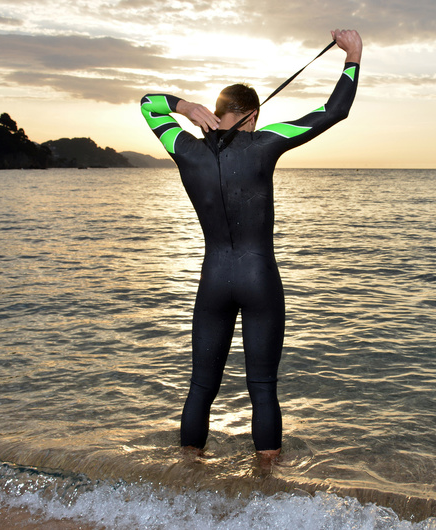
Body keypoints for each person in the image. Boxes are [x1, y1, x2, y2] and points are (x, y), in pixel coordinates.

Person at [140, 29, 361, 468]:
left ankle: (185, 476)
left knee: (201, 386)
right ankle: (268, 483)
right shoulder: (265, 142)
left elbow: (148, 103)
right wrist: (352, 55)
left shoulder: (183, 147)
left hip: (213, 280)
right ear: (252, 115)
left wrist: (184, 106)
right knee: (262, 386)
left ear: (216, 112)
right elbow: (334, 110)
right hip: (258, 278)